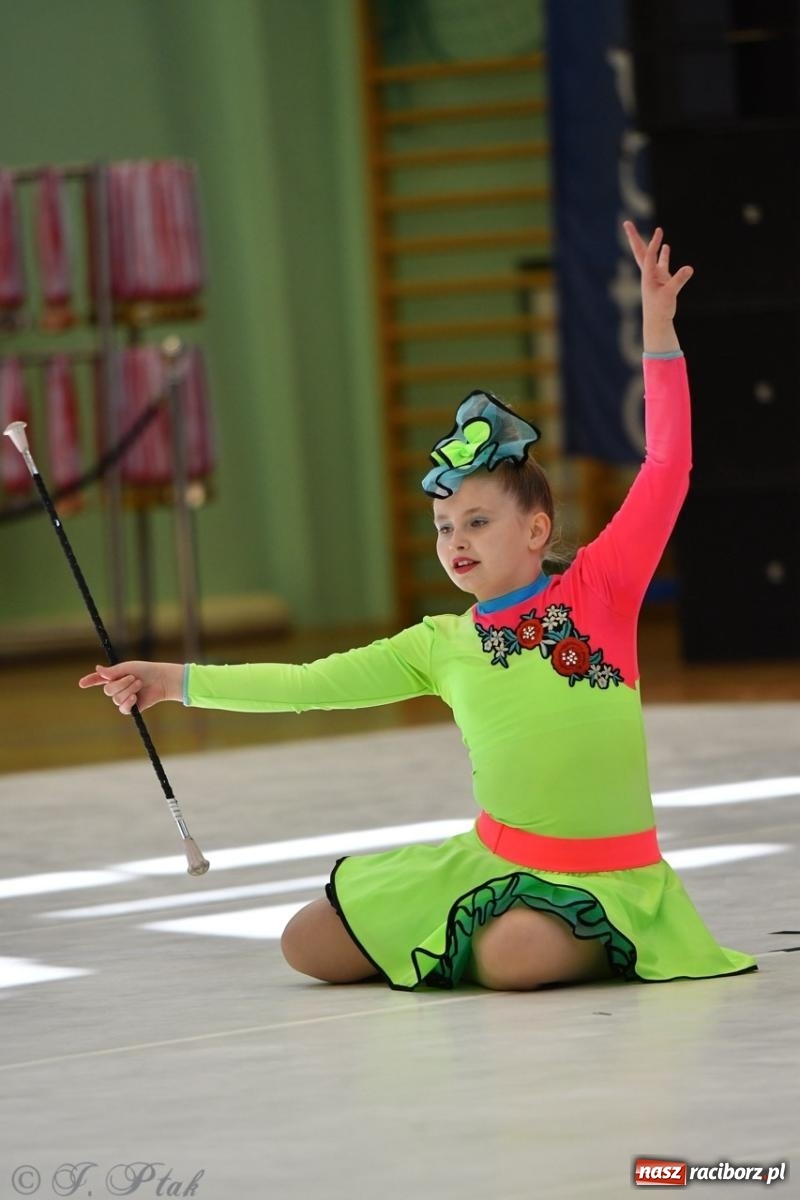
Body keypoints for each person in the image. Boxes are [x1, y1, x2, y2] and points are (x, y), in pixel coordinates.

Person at [79, 222, 758, 993]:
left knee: (512, 959)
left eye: (476, 521)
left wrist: (659, 331)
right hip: (497, 858)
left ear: (536, 530)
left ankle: (571, 936)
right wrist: (176, 681)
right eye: (443, 526)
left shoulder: (599, 590)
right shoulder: (438, 643)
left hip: (607, 874)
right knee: (307, 943)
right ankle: (471, 925)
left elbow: (668, 464)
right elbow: (308, 686)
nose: (455, 540)